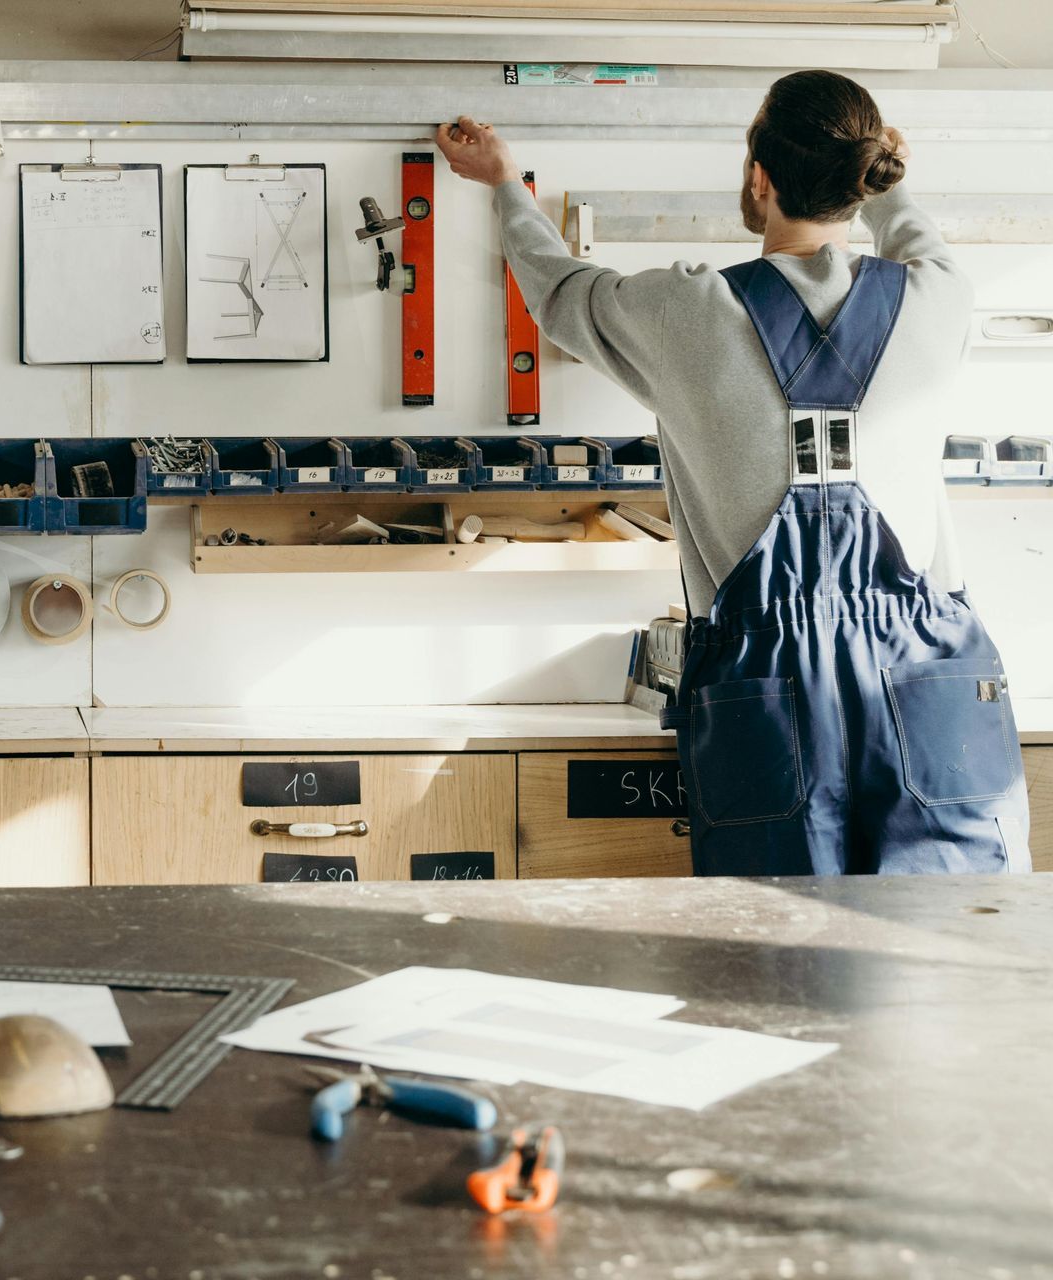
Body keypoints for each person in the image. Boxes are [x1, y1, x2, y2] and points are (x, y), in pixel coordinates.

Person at [436, 69, 1028, 876]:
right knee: (953, 952)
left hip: (767, 688)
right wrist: (880, 179)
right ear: (868, 176)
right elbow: (908, 230)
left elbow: (560, 291)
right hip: (926, 676)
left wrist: (506, 183)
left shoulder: (687, 313)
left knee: (784, 960)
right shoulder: (941, 299)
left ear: (758, 178)